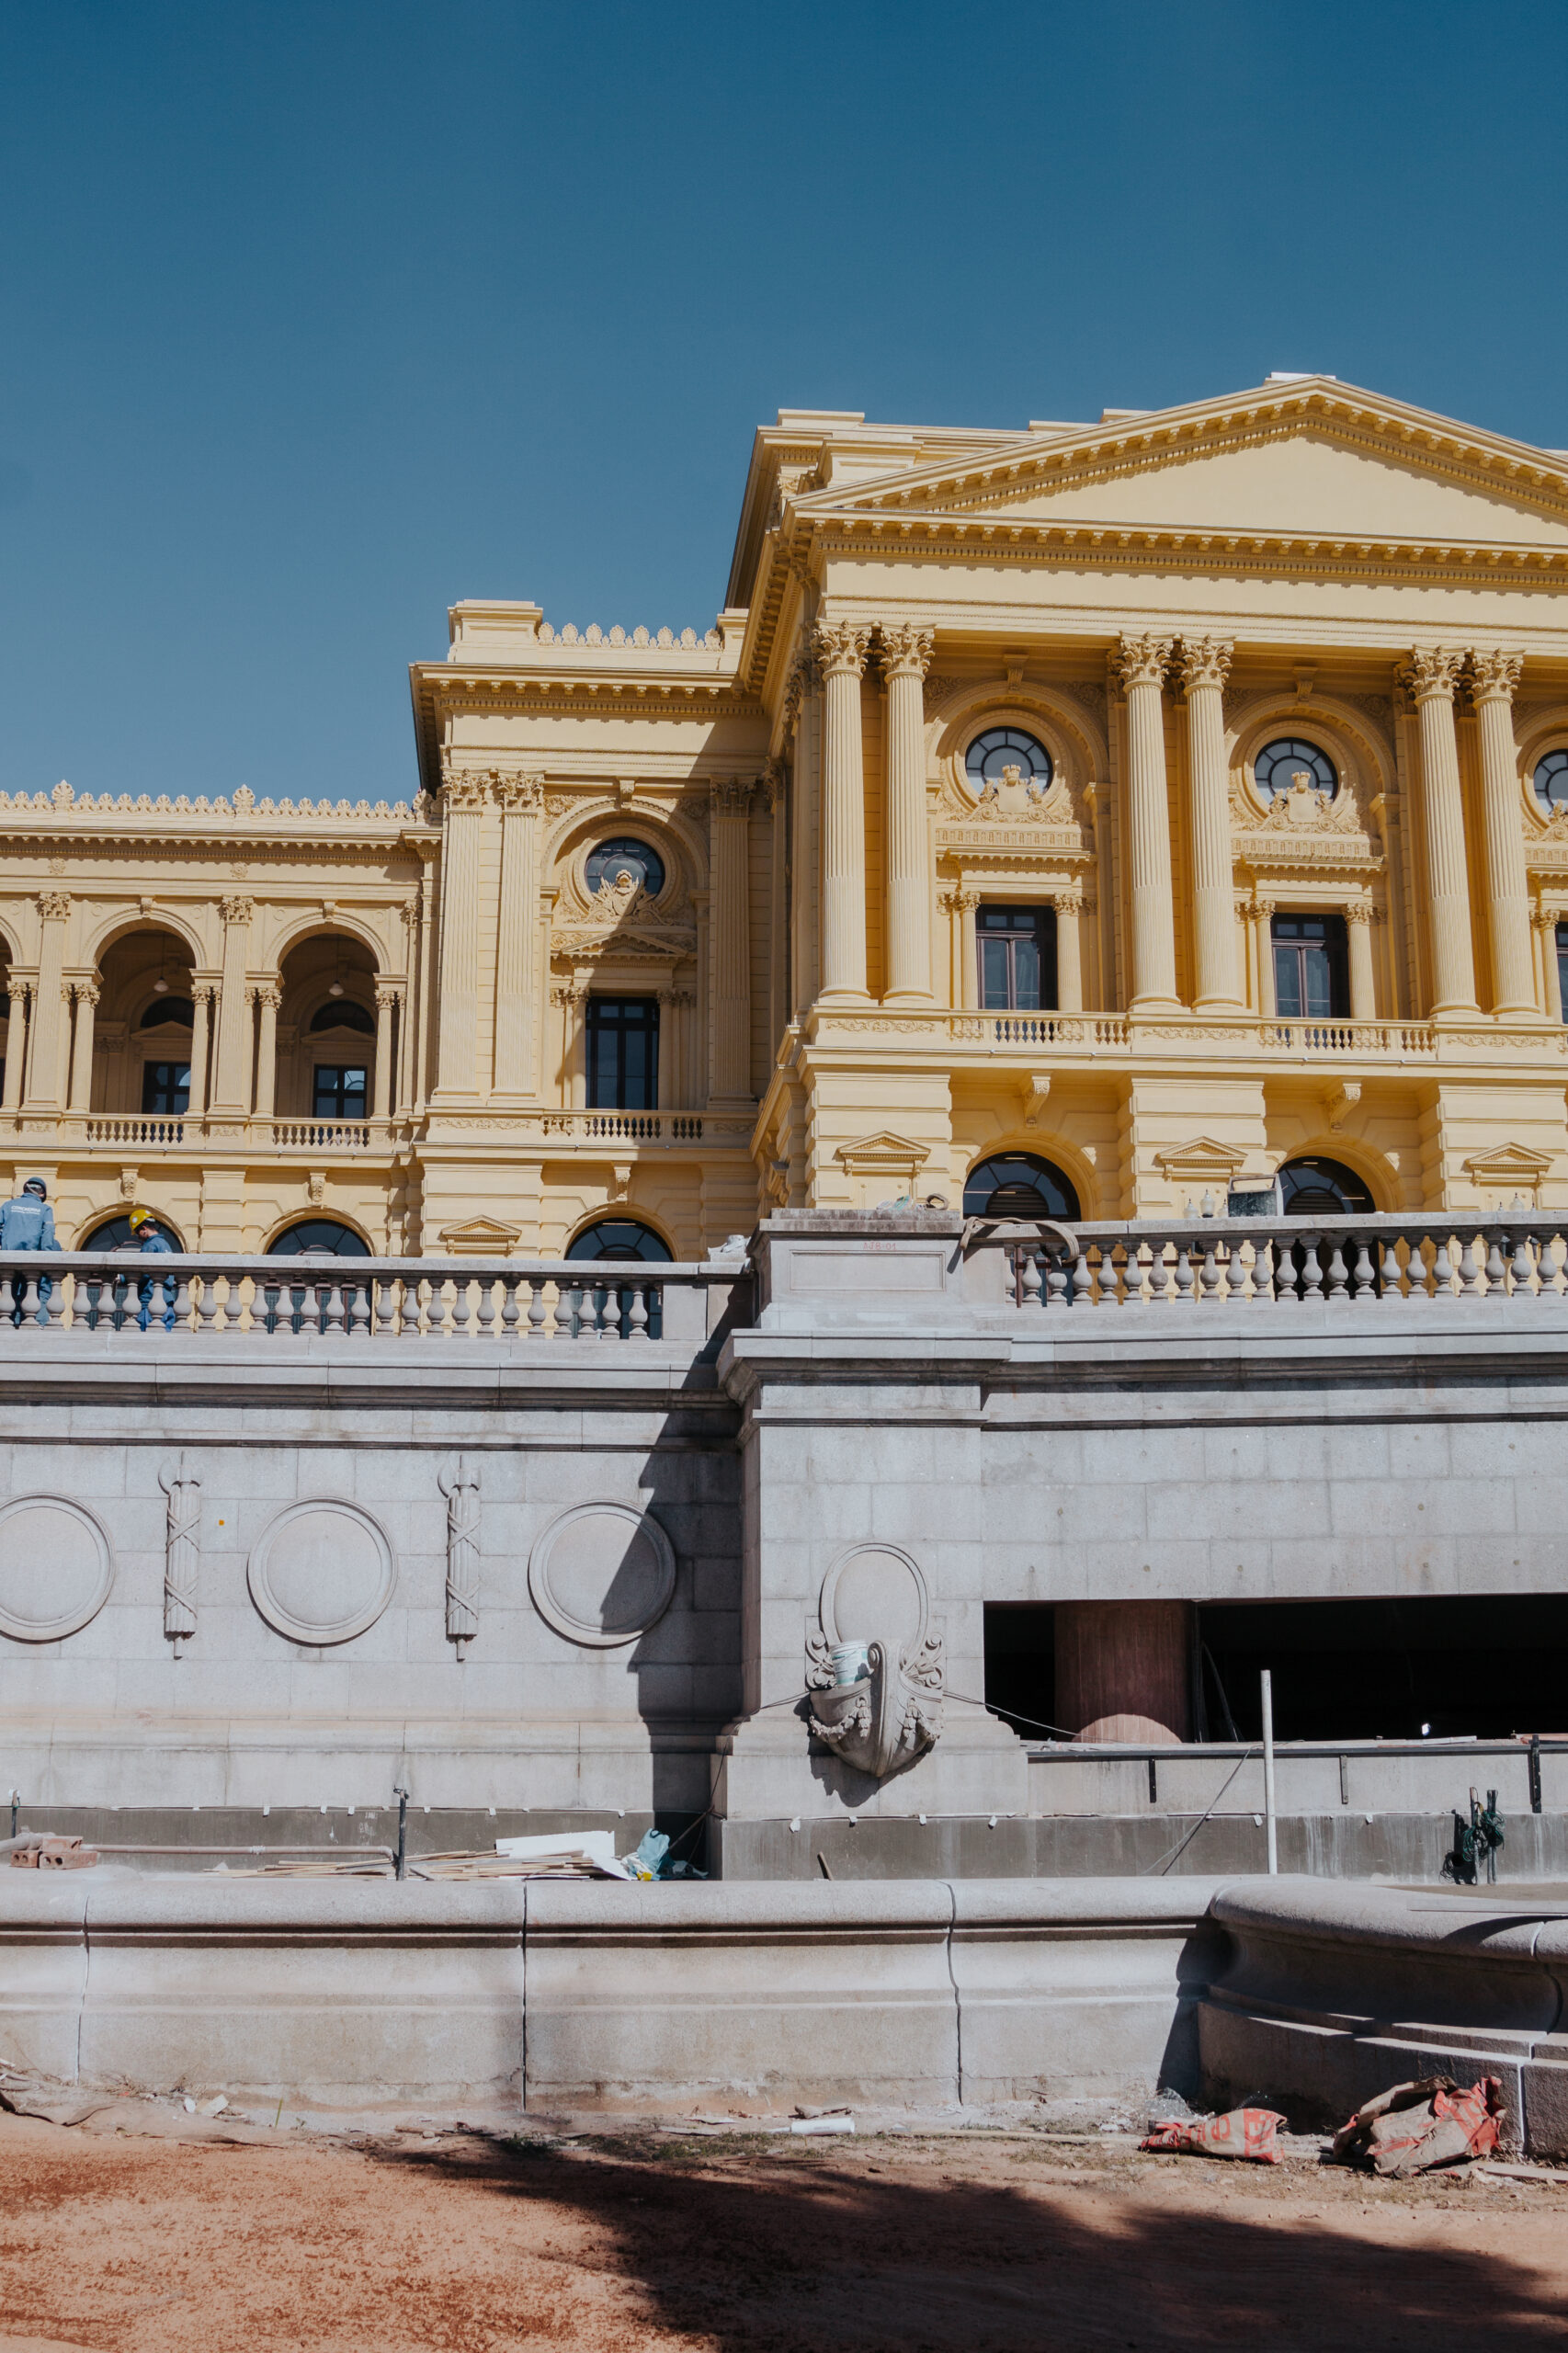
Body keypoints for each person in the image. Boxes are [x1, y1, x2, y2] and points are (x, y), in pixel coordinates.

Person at [0, 1178, 60, 1323]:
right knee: (37, 1292)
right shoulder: (45, 1209)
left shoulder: (8, 1206)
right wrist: (47, 1257)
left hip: (9, 1259)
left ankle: (12, 1323)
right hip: (33, 1260)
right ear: (42, 1194)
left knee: (11, 1292)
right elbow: (48, 1232)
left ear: (25, 1190)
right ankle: (39, 1323)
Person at [130, 1208, 178, 1331]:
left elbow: (143, 1271)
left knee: (147, 1344)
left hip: (150, 1302)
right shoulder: (165, 1244)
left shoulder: (150, 1245)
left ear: (144, 1229)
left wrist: (124, 1277)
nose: (138, 1237)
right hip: (167, 1302)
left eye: (137, 1232)